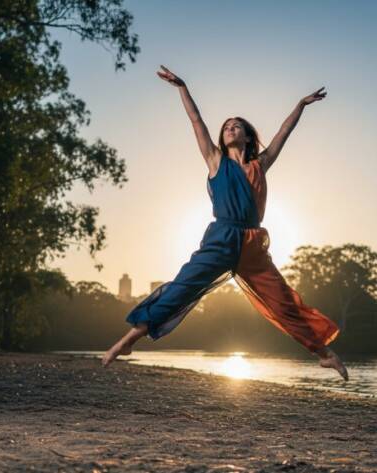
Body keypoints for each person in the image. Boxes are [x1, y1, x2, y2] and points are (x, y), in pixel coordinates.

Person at [101, 65, 348, 381]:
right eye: (227, 126)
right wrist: (182, 87)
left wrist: (300, 105)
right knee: (180, 289)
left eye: (237, 126)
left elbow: (283, 133)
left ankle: (325, 355)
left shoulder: (261, 164)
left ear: (247, 136)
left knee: (283, 301)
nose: (230, 128)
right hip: (220, 238)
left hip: (253, 246)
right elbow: (196, 121)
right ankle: (126, 342)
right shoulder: (215, 160)